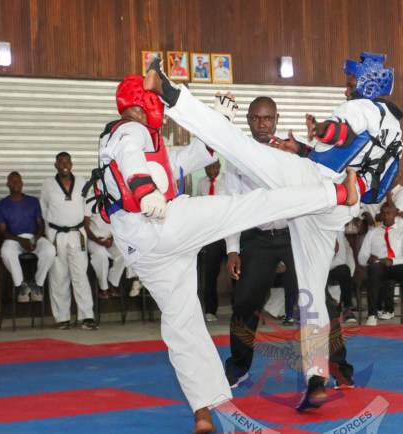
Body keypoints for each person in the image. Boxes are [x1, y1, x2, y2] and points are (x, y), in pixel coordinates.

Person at [92, 75, 358, 432]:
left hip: (143, 248)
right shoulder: (129, 130)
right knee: (248, 207)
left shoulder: (139, 143)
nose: (162, 115)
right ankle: (335, 196)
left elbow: (193, 157)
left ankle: (202, 412)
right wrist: (144, 192)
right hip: (162, 223)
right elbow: (131, 160)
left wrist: (218, 119)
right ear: (143, 105)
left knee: (182, 325)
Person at [145, 51, 402, 410]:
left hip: (318, 186)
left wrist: (321, 129)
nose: (346, 90)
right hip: (337, 208)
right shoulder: (393, 124)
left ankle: (171, 93)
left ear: (367, 84)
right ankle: (316, 377)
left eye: (350, 84)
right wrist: (302, 148)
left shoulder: (362, 107)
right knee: (312, 292)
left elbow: (341, 133)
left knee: (240, 148)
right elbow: (350, 152)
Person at [222, 96, 355, 391]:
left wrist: (328, 235)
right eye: (256, 118)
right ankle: (238, 367)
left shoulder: (291, 153)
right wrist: (233, 249)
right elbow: (230, 205)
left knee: (318, 298)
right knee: (245, 302)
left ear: (277, 119)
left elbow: (319, 193)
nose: (262, 124)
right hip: (257, 237)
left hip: (297, 231)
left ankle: (339, 369)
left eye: (267, 118)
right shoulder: (237, 157)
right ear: (248, 120)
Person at [40, 152, 97, 330]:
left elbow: (87, 206)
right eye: (61, 162)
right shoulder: (48, 185)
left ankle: (86, 316)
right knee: (58, 275)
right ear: (55, 165)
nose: (65, 164)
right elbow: (44, 208)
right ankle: (62, 317)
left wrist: (85, 228)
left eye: (67, 161)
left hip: (77, 233)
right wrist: (48, 232)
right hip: (56, 233)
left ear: (72, 164)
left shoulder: (81, 182)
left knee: (80, 274)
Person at [359, 202, 403, 326]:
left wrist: (393, 261)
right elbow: (361, 257)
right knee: (373, 268)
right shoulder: (372, 233)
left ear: (395, 214)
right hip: (379, 267)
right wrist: (368, 259)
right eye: (383, 213)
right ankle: (372, 315)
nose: (386, 216)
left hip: (397, 266)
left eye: (389, 213)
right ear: (380, 215)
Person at [0, 171, 56, 303]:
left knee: (50, 250)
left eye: (18, 181)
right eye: (13, 181)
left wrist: (34, 239)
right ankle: (21, 285)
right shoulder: (1, 205)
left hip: (33, 237)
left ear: (22, 183)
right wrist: (21, 240)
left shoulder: (33, 201)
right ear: (7, 184)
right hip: (13, 239)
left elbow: (41, 225)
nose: (16, 183)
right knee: (5, 252)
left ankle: (37, 285)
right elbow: (2, 231)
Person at [85, 201, 141, 300]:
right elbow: (85, 227)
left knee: (125, 251)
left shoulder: (112, 199)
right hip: (94, 239)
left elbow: (118, 224)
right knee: (100, 254)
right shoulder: (90, 201)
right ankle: (103, 288)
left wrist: (112, 238)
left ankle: (113, 282)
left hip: (110, 239)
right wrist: (99, 241)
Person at [197, 161, 227, 321]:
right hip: (211, 235)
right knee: (210, 274)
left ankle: (239, 308)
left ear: (219, 166)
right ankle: (210, 310)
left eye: (213, 167)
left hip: (229, 232)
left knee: (236, 273)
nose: (211, 170)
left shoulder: (228, 181)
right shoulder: (201, 183)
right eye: (207, 167)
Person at [328, 230, 356, 323]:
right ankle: (331, 304)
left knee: (344, 270)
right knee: (316, 275)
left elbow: (341, 260)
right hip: (317, 269)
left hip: (332, 268)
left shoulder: (338, 232)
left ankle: (347, 309)